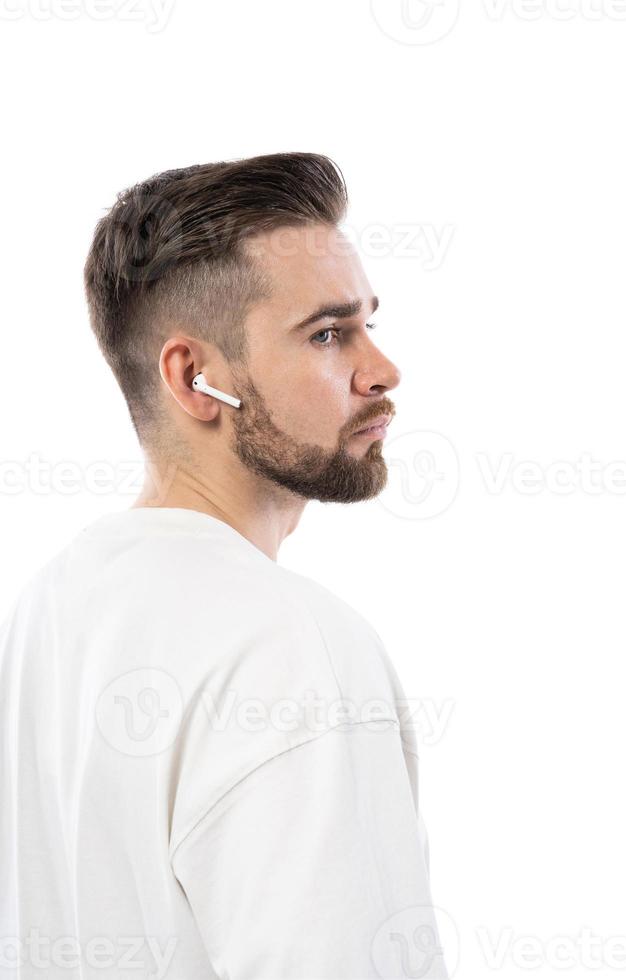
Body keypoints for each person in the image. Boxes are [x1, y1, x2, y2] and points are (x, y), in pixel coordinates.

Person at [0, 153, 448, 979]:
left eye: (369, 325)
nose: (381, 371)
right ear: (194, 378)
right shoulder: (292, 643)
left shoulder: (48, 608)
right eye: (327, 333)